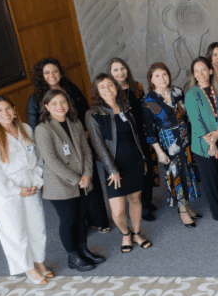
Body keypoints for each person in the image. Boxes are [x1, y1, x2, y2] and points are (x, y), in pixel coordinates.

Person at [26, 57, 109, 232]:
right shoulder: (35, 99)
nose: (52, 75)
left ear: (61, 72)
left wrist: (87, 131)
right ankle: (82, 224)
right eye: (47, 72)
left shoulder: (71, 89)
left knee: (90, 179)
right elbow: (35, 128)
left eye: (55, 71)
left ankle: (100, 220)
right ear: (41, 76)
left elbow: (86, 110)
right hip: (58, 148)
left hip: (80, 140)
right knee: (71, 185)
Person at [0, 96, 51, 284]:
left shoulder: (25, 129)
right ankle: (28, 268)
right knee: (15, 231)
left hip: (30, 183)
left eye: (8, 108)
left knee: (37, 226)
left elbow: (37, 158)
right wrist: (17, 191)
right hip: (5, 191)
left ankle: (39, 261)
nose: (5, 113)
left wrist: (36, 182)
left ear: (14, 109)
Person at [35, 89, 103, 271]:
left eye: (63, 102)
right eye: (54, 103)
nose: (60, 107)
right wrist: (77, 179)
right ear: (47, 107)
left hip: (83, 179)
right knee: (68, 219)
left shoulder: (75, 122)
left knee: (81, 217)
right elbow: (52, 161)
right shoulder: (43, 129)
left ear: (68, 104)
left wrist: (87, 174)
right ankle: (73, 257)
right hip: (60, 184)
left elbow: (87, 150)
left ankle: (83, 249)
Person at [86, 74, 152, 253]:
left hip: (134, 161)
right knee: (117, 211)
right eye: (102, 87)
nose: (107, 89)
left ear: (116, 87)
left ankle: (137, 233)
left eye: (110, 85)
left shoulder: (126, 106)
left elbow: (136, 136)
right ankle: (125, 232)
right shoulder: (93, 114)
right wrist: (112, 169)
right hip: (114, 167)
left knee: (135, 199)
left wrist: (143, 158)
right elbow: (98, 145)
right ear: (97, 91)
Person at [141, 63, 201, 227]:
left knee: (187, 171)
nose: (162, 78)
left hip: (184, 137)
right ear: (151, 79)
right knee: (175, 175)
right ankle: (182, 210)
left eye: (164, 74)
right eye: (157, 75)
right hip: (168, 142)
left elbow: (186, 117)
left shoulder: (178, 92)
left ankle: (187, 206)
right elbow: (149, 132)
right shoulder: (148, 101)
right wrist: (159, 152)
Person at [184, 57, 218, 221]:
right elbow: (196, 121)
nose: (200, 73)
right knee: (211, 178)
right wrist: (212, 143)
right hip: (204, 143)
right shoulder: (192, 94)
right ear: (193, 73)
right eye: (196, 70)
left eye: (204, 69)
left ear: (211, 71)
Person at [110, 57, 158, 222]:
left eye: (122, 68)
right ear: (110, 73)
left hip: (142, 132)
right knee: (139, 170)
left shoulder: (136, 86)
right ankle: (142, 207)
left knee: (149, 167)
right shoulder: (112, 91)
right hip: (128, 136)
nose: (120, 72)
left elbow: (145, 106)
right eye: (115, 70)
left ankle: (148, 200)